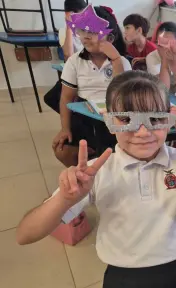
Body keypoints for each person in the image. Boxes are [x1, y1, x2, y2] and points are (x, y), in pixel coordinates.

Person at [16, 71, 176, 288]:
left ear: (170, 119)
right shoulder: (96, 171)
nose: (142, 132)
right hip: (125, 284)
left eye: (155, 119)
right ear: (109, 122)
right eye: (126, 120)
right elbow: (25, 234)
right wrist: (64, 199)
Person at [53, 5, 131, 168]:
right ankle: (84, 174)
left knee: (115, 152)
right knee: (62, 150)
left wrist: (116, 60)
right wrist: (64, 128)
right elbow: (66, 97)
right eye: (82, 31)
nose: (85, 37)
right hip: (84, 117)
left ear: (110, 38)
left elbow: (122, 93)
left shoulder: (122, 62)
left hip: (113, 115)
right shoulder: (75, 61)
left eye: (93, 32)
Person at [43, 0, 87, 113]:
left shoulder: (89, 31)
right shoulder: (65, 32)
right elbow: (68, 55)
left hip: (87, 74)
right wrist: (69, 27)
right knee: (50, 98)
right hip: (73, 74)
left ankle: (75, 120)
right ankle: (73, 120)